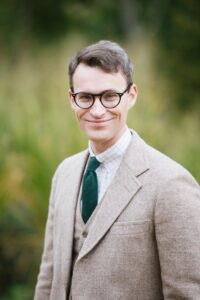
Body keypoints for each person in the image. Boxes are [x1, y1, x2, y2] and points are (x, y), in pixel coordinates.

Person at [34, 40, 200, 300]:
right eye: (85, 97)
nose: (97, 110)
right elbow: (48, 281)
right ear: (71, 99)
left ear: (131, 95)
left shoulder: (172, 183)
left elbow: (187, 294)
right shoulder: (64, 174)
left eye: (110, 96)